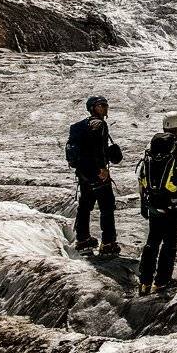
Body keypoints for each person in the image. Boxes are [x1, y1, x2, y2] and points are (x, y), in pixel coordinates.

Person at [137, 111, 177, 295]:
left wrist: (143, 201)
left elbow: (142, 175)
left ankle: (144, 281)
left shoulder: (151, 146)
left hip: (154, 201)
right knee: (170, 241)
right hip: (175, 203)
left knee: (152, 240)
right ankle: (162, 281)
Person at [66, 96, 122, 258]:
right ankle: (108, 243)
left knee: (85, 205)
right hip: (97, 173)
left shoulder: (80, 127)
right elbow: (96, 149)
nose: (105, 108)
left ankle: (83, 239)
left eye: (105, 105)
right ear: (93, 108)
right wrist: (102, 169)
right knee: (107, 206)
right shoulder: (99, 125)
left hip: (84, 173)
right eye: (101, 105)